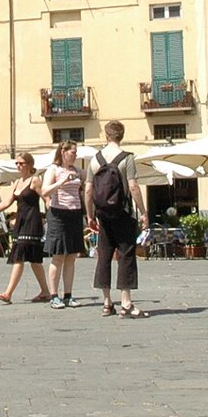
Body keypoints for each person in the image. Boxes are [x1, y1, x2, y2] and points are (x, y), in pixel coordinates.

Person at [89, 120, 147, 318]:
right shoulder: (127, 158)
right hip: (123, 213)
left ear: (106, 135)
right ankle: (126, 303)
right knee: (126, 255)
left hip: (102, 215)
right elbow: (133, 187)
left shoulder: (95, 159)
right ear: (122, 136)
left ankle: (107, 303)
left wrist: (90, 215)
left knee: (104, 255)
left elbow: (88, 190)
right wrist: (144, 211)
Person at [0, 154, 51, 304]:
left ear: (29, 164)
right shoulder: (17, 182)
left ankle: (8, 293)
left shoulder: (35, 180)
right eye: (17, 163)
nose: (18, 166)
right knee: (34, 260)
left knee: (20, 255)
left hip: (32, 222)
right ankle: (45, 291)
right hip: (21, 222)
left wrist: (51, 212)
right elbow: (7, 202)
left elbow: (46, 197)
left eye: (21, 163)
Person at [40, 140, 87, 309]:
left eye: (76, 152)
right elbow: (44, 191)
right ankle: (54, 296)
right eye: (73, 152)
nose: (75, 155)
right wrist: (62, 182)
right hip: (58, 215)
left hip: (75, 214)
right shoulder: (53, 169)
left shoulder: (78, 171)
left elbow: (91, 179)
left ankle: (68, 295)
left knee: (72, 256)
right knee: (58, 256)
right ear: (63, 152)